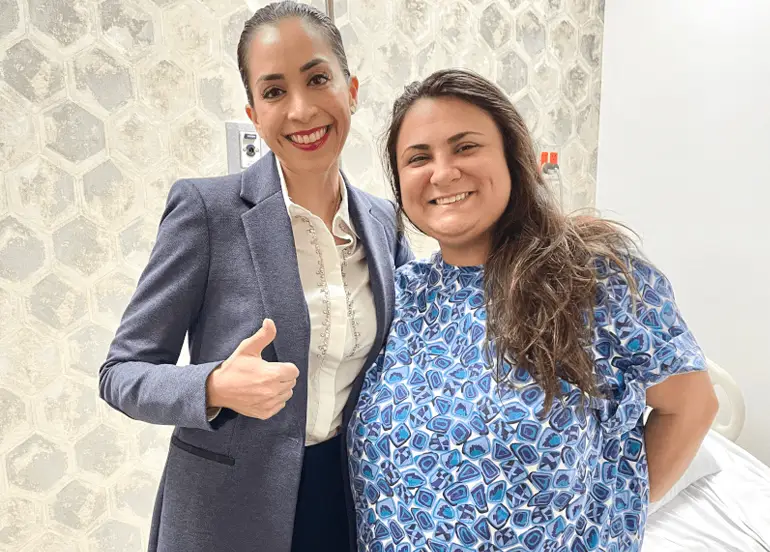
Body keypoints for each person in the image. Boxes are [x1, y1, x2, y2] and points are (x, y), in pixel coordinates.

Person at [346, 69, 718, 552]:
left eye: (465, 147)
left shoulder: (590, 279)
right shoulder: (402, 296)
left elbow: (691, 406)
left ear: (511, 157)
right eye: (418, 158)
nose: (442, 172)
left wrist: (610, 516)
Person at [98, 3, 411, 551]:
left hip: (349, 501)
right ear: (253, 112)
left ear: (352, 88)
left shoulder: (384, 223)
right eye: (273, 92)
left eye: (318, 79)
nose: (301, 109)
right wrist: (214, 384)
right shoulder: (206, 211)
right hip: (229, 514)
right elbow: (121, 373)